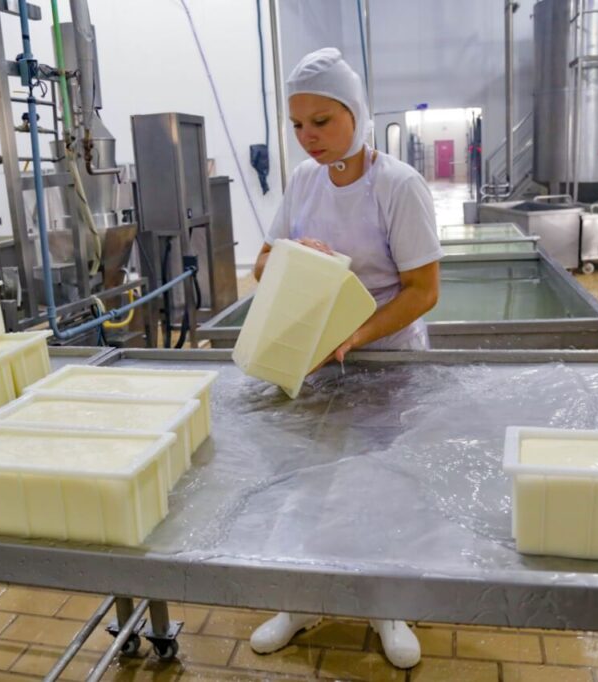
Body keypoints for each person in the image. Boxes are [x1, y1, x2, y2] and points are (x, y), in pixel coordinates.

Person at [248, 47, 443, 670]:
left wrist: (356, 336)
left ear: (356, 114)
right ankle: (300, 599)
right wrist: (290, 256)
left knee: (380, 491)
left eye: (323, 122)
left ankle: (386, 607)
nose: (308, 138)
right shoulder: (304, 181)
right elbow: (261, 264)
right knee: (306, 481)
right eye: (298, 124)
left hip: (382, 363)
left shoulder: (397, 186)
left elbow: (423, 290)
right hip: (316, 359)